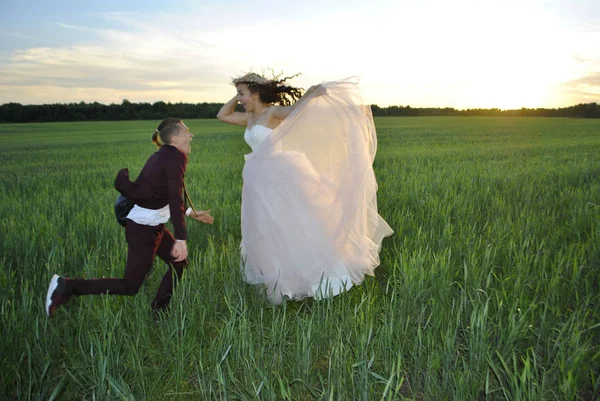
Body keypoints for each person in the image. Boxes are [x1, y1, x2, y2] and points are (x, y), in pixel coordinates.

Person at [217, 72, 393, 304]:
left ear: (256, 93)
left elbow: (300, 112)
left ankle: (318, 277)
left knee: (294, 226)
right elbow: (222, 115)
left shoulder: (273, 112)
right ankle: (279, 282)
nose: (239, 99)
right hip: (258, 184)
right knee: (267, 231)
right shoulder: (247, 119)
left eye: (243, 94)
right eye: (238, 95)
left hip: (280, 177)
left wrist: (310, 94)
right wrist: (238, 93)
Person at [45, 118, 214, 317]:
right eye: (187, 132)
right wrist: (181, 238)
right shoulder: (174, 158)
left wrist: (188, 212)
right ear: (176, 138)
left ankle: (158, 312)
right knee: (130, 286)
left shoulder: (163, 156)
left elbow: (159, 193)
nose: (191, 135)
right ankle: (66, 286)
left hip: (152, 226)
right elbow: (174, 196)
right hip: (143, 230)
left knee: (179, 263)